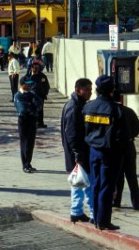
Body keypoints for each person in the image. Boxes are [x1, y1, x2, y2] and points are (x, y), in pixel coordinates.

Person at [82, 74, 124, 231]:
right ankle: (103, 220)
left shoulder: (88, 107)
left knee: (95, 185)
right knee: (106, 187)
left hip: (93, 150)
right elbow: (122, 135)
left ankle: (95, 217)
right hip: (109, 152)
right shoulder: (115, 109)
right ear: (112, 90)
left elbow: (84, 130)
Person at [61, 78, 94, 223]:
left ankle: (76, 211)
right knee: (87, 183)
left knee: (78, 182)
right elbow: (72, 134)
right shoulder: (75, 107)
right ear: (77, 90)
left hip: (76, 152)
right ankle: (95, 214)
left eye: (90, 89)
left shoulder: (77, 105)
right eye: (86, 89)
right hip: (78, 153)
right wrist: (78, 154)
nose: (90, 92)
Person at [112, 90, 139, 211]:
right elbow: (138, 127)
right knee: (132, 176)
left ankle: (116, 200)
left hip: (116, 147)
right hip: (129, 146)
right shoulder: (129, 111)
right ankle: (136, 202)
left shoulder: (111, 112)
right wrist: (131, 136)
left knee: (118, 176)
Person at [14, 77, 43, 173]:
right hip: (24, 121)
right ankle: (25, 164)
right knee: (25, 142)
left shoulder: (32, 94)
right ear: (22, 84)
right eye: (27, 84)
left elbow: (40, 104)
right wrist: (33, 106)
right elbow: (23, 110)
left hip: (32, 120)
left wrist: (33, 106)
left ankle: (29, 163)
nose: (29, 85)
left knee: (31, 143)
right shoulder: (18, 95)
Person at [23, 59, 50, 128]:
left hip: (40, 96)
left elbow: (47, 86)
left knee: (40, 110)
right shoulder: (27, 76)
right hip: (30, 96)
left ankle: (40, 123)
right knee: (31, 110)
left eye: (37, 68)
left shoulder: (42, 76)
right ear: (31, 68)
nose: (36, 69)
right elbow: (22, 85)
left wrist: (45, 93)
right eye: (34, 68)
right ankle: (32, 123)